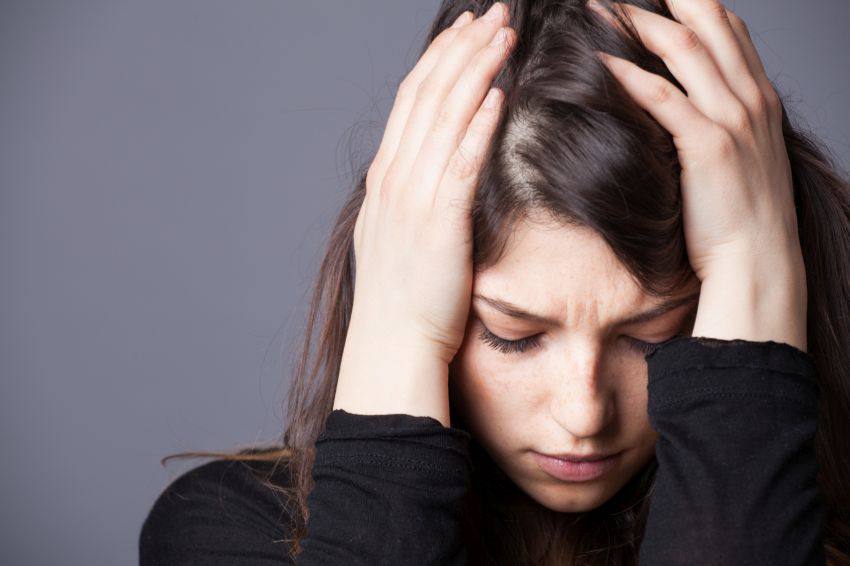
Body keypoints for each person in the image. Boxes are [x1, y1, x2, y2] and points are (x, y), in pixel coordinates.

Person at [139, 1, 850, 564]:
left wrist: (752, 254)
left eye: (651, 336)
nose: (583, 415)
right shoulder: (231, 532)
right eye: (513, 336)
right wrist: (396, 332)